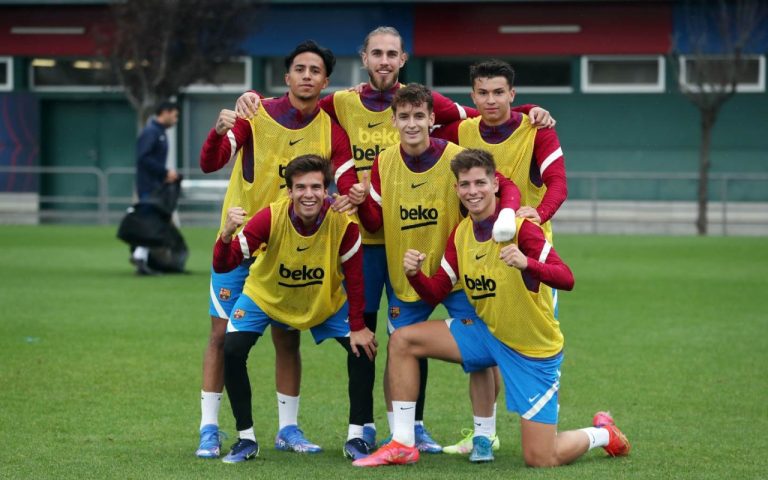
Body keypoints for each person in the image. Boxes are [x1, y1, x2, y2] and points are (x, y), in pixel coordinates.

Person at [235, 26, 552, 458]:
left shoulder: (429, 104)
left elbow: (484, 114)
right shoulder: (341, 101)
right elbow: (297, 102)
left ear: (403, 60)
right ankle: (364, 427)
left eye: (392, 54)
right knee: (364, 331)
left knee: (467, 338)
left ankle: (434, 430)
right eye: (377, 53)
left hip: (438, 249)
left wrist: (530, 110)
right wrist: (250, 98)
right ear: (365, 57)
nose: (385, 61)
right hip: (364, 242)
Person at [353, 149, 629, 467]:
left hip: (531, 351)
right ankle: (402, 443)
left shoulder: (523, 229)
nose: (473, 191)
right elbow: (436, 291)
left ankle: (603, 433)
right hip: (486, 335)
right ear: (456, 189)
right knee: (402, 339)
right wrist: (415, 276)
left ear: (495, 184)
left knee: (541, 457)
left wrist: (527, 263)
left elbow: (567, 278)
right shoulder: (462, 234)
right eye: (466, 184)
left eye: (480, 183)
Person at [195, 40, 363, 459]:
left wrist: (355, 194)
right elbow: (211, 163)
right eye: (300, 69)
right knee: (222, 337)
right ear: (286, 76)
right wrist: (217, 132)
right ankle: (209, 428)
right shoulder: (255, 113)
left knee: (288, 336)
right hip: (243, 241)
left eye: (316, 71)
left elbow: (347, 178)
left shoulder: (331, 129)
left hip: (292, 247)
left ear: (326, 81)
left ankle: (288, 428)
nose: (307, 75)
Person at [350, 83, 520, 452]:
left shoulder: (458, 158)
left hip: (461, 276)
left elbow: (504, 188)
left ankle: (483, 436)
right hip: (406, 278)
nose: (412, 124)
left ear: (431, 118)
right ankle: (401, 437)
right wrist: (362, 202)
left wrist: (505, 218)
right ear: (394, 121)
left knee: (479, 357)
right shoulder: (383, 161)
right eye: (404, 117)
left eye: (419, 116)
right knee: (398, 349)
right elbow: (375, 222)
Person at [432, 59, 568, 454]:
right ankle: (484, 434)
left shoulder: (537, 129)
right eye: (483, 93)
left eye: (499, 92)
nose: (491, 100)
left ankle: (547, 418)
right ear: (473, 97)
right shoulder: (465, 128)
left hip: (526, 256)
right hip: (474, 249)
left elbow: (558, 184)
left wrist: (537, 214)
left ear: (513, 94)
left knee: (527, 339)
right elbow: (420, 116)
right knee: (483, 339)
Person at [213, 154, 376, 463]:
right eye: (300, 187)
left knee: (364, 349)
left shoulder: (344, 223)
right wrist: (224, 235)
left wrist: (358, 326)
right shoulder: (268, 218)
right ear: (289, 191)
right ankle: (245, 439)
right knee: (231, 349)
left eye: (316, 187)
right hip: (266, 296)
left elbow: (355, 279)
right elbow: (224, 263)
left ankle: (357, 438)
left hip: (322, 301)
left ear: (327, 190)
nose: (308, 194)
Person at [131, 101, 179, 275]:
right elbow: (143, 158)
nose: (176, 119)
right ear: (164, 112)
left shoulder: (159, 132)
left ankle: (141, 256)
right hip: (148, 185)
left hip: (155, 185)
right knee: (150, 222)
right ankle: (140, 256)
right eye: (174, 115)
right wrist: (165, 172)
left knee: (152, 221)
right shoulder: (151, 132)